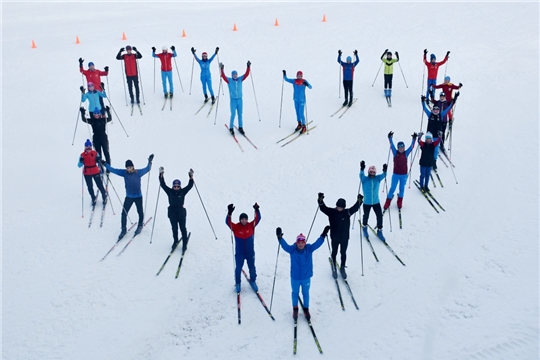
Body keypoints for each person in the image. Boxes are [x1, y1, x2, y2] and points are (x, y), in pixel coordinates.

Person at [276, 226, 327, 321]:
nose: (300, 244)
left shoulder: (309, 249)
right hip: (295, 277)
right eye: (299, 243)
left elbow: (317, 244)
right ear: (296, 243)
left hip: (306, 277)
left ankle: (306, 309)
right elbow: (285, 246)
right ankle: (295, 308)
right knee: (295, 293)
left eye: (302, 243)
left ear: (305, 243)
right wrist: (280, 238)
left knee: (305, 293)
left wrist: (323, 235)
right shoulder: (292, 250)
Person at [103, 155, 154, 239]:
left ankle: (140, 225)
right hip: (129, 197)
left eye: (130, 167)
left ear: (133, 167)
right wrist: (105, 164)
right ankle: (123, 229)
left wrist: (150, 162)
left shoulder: (138, 172)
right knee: (124, 213)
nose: (129, 169)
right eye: (127, 168)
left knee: (140, 212)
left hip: (138, 196)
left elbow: (147, 169)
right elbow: (113, 170)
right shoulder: (124, 173)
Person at [317, 192, 362, 279]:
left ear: (344, 207)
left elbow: (355, 208)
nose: (339, 208)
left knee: (343, 253)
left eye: (341, 207)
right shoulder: (332, 212)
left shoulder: (347, 212)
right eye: (338, 206)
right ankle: (334, 267)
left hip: (344, 238)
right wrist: (320, 200)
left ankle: (342, 267)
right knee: (334, 252)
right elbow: (323, 208)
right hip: (334, 237)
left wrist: (359, 201)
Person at [226, 202, 260, 293]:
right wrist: (229, 214)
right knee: (238, 268)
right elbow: (228, 222)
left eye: (245, 219)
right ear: (240, 220)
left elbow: (258, 219)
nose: (244, 221)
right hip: (240, 253)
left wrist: (257, 210)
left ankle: (253, 281)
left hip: (250, 253)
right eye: (242, 219)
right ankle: (238, 283)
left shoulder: (251, 225)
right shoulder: (236, 227)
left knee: (252, 268)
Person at [159, 167, 194, 251]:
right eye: (175, 186)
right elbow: (163, 184)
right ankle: (175, 241)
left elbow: (190, 186)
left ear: (180, 186)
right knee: (174, 228)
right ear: (173, 186)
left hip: (181, 212)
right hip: (172, 212)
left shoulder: (182, 191)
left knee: (183, 228)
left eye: (178, 186)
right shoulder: (169, 191)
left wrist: (191, 177)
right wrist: (161, 175)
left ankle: (184, 243)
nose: (176, 187)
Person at [384, 131, 416, 210]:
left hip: (404, 175)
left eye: (402, 148)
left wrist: (414, 139)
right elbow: (392, 146)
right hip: (396, 174)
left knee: (402, 189)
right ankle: (387, 202)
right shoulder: (395, 153)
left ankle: (399, 201)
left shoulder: (406, 153)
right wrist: (390, 138)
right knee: (392, 188)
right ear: (398, 148)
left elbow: (411, 147)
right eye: (400, 148)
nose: (401, 149)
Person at [220, 61, 250, 135]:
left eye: (236, 74)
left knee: (240, 114)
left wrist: (248, 67)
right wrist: (222, 69)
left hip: (240, 99)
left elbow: (246, 75)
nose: (235, 76)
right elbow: (223, 76)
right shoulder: (229, 80)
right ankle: (231, 128)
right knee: (233, 114)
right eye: (234, 75)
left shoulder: (240, 79)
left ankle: (240, 127)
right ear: (232, 75)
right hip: (233, 100)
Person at [360, 161, 387, 241]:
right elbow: (361, 175)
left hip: (376, 202)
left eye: (373, 172)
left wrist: (385, 170)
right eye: (370, 172)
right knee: (366, 216)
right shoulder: (365, 179)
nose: (372, 173)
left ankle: (380, 230)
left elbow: (384, 175)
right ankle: (364, 227)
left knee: (379, 216)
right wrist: (362, 169)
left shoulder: (377, 179)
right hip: (367, 202)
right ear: (368, 172)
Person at [78, 139, 107, 207]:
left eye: (89, 147)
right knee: (90, 186)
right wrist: (81, 161)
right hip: (87, 172)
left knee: (99, 185)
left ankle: (104, 196)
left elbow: (99, 161)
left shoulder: (95, 153)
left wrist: (98, 159)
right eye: (87, 147)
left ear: (91, 147)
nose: (88, 149)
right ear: (85, 147)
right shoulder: (82, 155)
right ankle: (93, 198)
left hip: (95, 171)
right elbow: (79, 165)